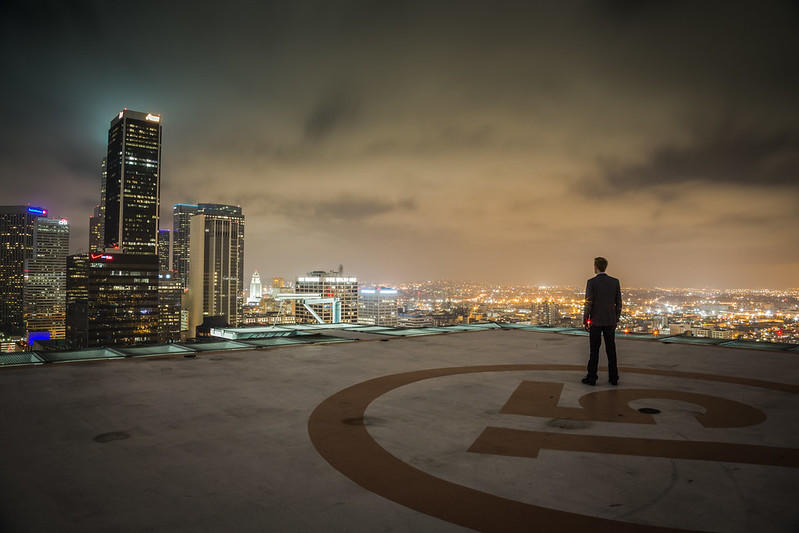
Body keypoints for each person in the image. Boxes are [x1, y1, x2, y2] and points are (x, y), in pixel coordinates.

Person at [582, 257, 622, 386]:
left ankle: (592, 377)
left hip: (596, 321)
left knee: (594, 350)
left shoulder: (591, 282)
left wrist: (585, 319)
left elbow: (588, 303)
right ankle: (614, 377)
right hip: (610, 321)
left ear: (596, 266)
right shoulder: (615, 282)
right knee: (611, 350)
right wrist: (616, 318)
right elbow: (619, 303)